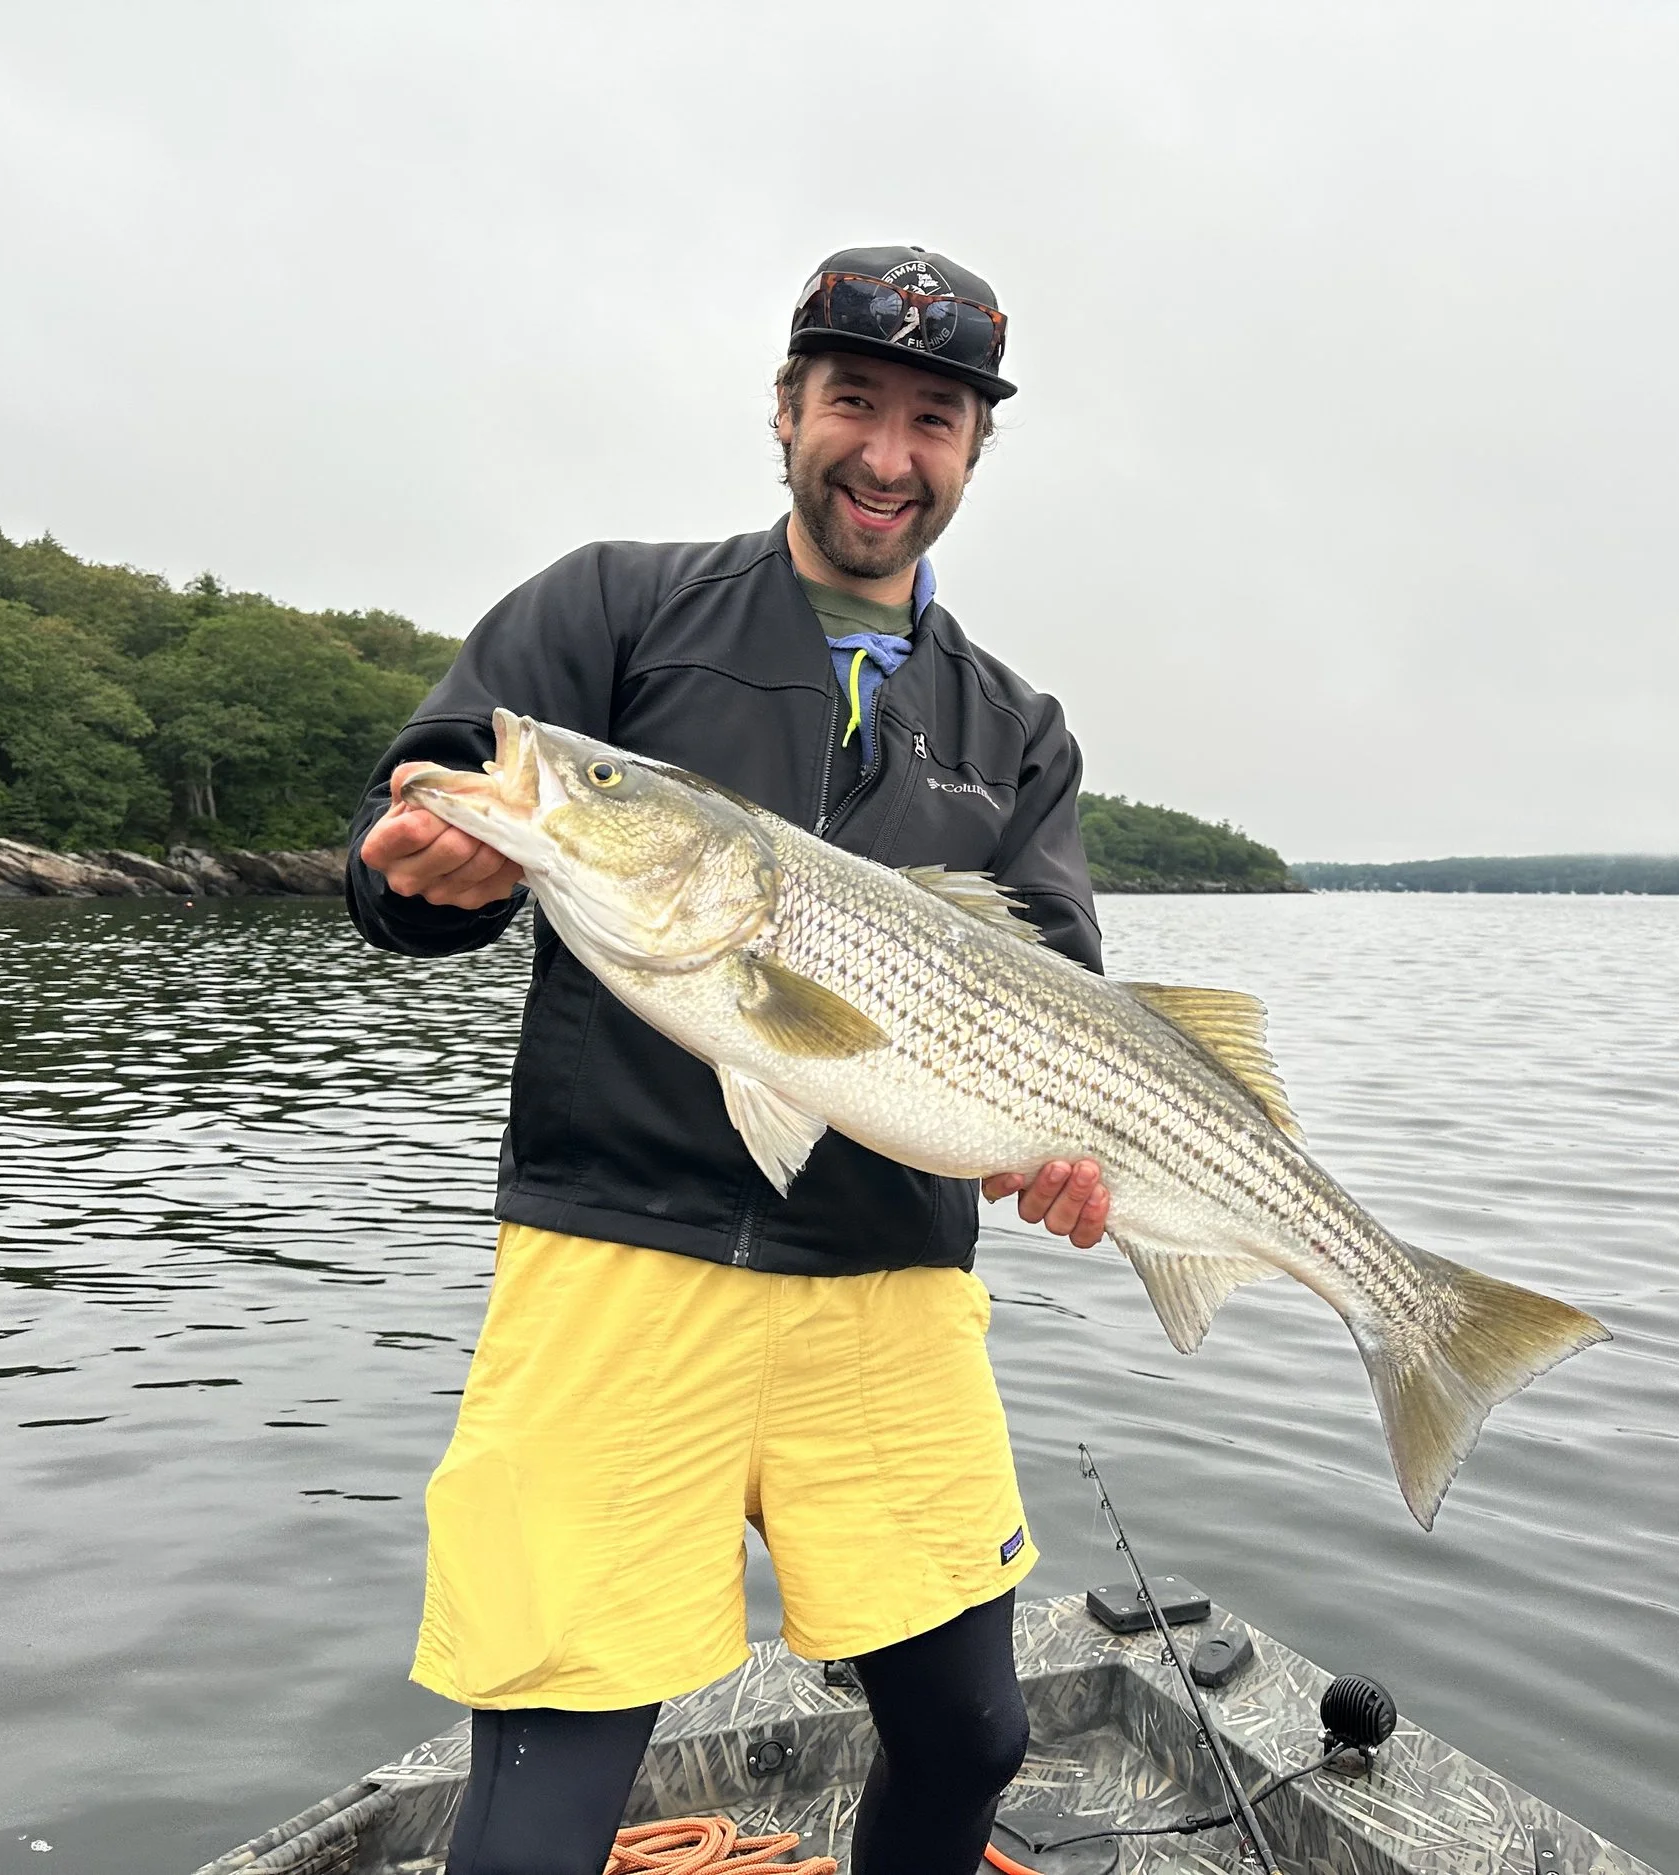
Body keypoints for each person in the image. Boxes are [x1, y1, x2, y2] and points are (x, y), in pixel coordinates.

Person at [347, 245, 1111, 1875]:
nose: (887, 455)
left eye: (933, 420)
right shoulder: (613, 611)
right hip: (617, 1254)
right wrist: (416, 870)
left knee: (974, 1735)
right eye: (852, 402)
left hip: (890, 1275)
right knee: (545, 1792)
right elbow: (421, 813)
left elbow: (1059, 993)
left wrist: (1065, 1154)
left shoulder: (1017, 727)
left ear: (977, 448)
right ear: (785, 408)